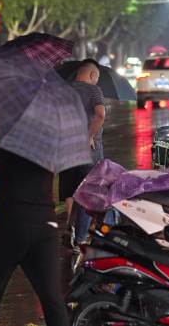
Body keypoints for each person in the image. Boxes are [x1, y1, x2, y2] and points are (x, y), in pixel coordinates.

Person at [0, 138, 68, 326]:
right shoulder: (50, 141)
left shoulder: (9, 139)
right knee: (52, 299)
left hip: (9, 225)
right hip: (45, 226)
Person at [58, 59, 105, 250]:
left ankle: (71, 229)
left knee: (69, 192)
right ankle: (80, 238)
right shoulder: (94, 91)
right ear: (92, 75)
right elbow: (100, 115)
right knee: (86, 193)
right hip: (89, 152)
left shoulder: (63, 90)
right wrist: (89, 135)